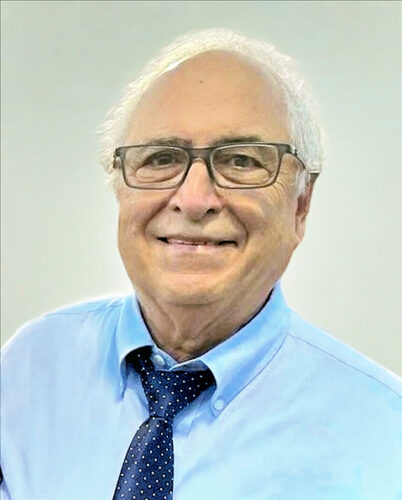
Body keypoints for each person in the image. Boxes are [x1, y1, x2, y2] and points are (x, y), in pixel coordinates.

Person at [1, 28, 401, 500]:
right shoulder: (28, 369)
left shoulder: (385, 436)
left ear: (301, 204)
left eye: (241, 161)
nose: (193, 200)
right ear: (120, 188)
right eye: (161, 158)